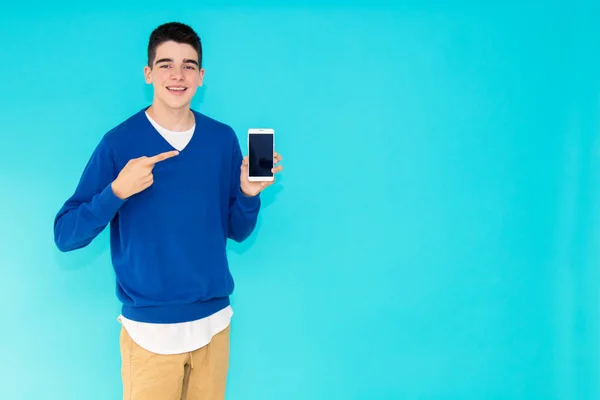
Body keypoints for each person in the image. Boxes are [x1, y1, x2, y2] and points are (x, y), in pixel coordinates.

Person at [53, 21, 283, 400]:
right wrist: (116, 192)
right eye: (165, 64)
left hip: (214, 327)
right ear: (148, 73)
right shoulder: (118, 143)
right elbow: (65, 235)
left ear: (201, 76)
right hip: (150, 334)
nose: (178, 75)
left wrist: (247, 193)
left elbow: (237, 231)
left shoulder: (221, 139)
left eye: (189, 65)